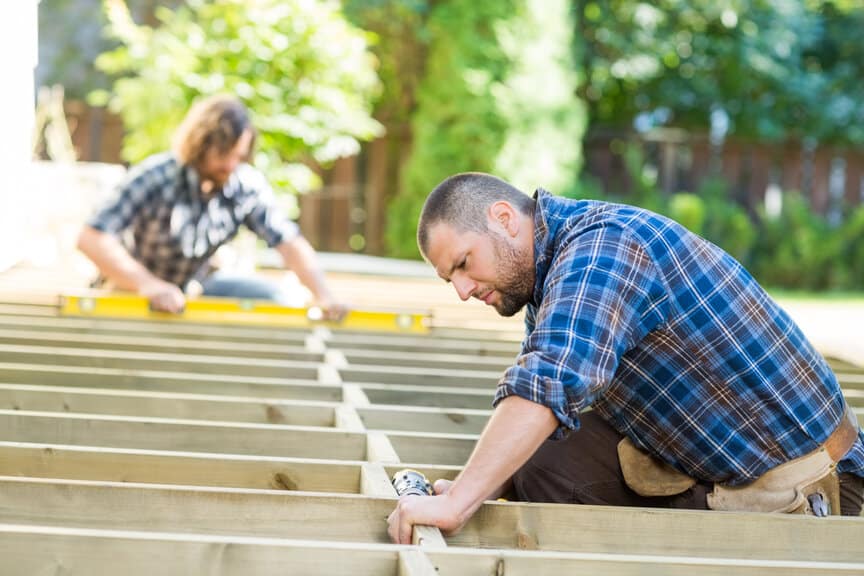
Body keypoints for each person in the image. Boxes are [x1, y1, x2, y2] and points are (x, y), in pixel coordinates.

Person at [387, 172, 864, 543]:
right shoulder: (551, 278)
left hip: (811, 491)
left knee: (540, 447)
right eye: (450, 280)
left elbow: (550, 378)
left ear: (505, 219)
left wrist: (458, 505)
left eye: (464, 264)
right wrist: (475, 490)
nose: (464, 291)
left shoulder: (604, 248)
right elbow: (543, 407)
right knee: (543, 459)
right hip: (718, 468)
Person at [77, 94, 345, 317]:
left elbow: (289, 242)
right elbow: (91, 238)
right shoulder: (157, 176)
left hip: (193, 289)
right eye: (223, 155)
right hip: (130, 289)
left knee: (278, 298)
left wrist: (324, 296)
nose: (230, 165)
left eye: (238, 157)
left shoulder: (244, 185)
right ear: (199, 144)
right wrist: (149, 286)